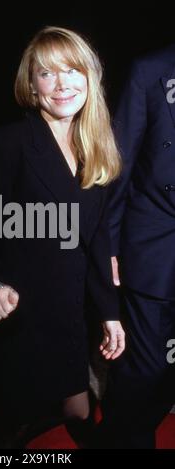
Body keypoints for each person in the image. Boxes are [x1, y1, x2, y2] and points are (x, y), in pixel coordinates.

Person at [0, 26, 125, 449]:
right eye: (48, 73)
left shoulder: (97, 148)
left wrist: (109, 312)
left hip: (73, 317)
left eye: (72, 70)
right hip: (24, 319)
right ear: (32, 87)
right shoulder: (9, 144)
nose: (62, 83)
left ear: (89, 77)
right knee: (13, 423)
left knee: (81, 410)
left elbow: (99, 240)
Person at [100, 44, 175, 448]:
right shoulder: (151, 69)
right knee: (145, 368)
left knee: (168, 375)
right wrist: (108, 244)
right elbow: (120, 161)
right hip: (157, 247)